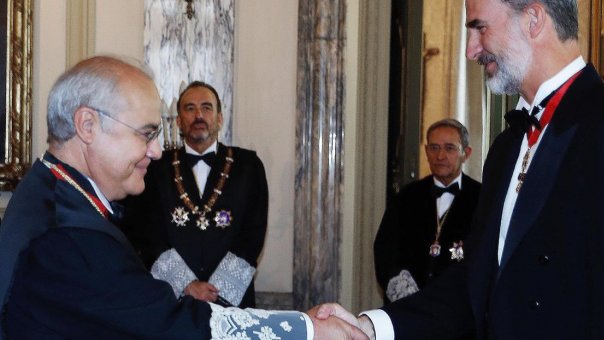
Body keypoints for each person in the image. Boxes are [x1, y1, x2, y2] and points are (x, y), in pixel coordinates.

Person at [315, 0, 604, 338]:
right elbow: (474, 284)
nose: (471, 50)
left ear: (533, 19)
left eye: (480, 28)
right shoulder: (506, 147)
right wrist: (370, 327)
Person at [0, 56, 365, 339]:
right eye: (146, 134)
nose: (158, 151)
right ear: (87, 126)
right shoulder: (69, 234)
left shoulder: (55, 192)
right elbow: (165, 326)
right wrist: (306, 330)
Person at [121, 81, 267, 308]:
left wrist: (217, 289)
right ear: (178, 121)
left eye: (206, 107)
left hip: (232, 299)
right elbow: (146, 232)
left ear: (219, 118)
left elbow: (253, 232)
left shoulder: (248, 166)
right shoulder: (155, 168)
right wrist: (186, 284)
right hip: (172, 298)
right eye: (190, 108)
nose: (199, 115)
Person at [374, 119, 480, 304]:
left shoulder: (482, 198)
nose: (440, 156)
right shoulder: (406, 197)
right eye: (434, 148)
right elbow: (385, 248)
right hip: (408, 308)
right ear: (426, 151)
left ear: (466, 153)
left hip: (459, 310)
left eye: (449, 148)